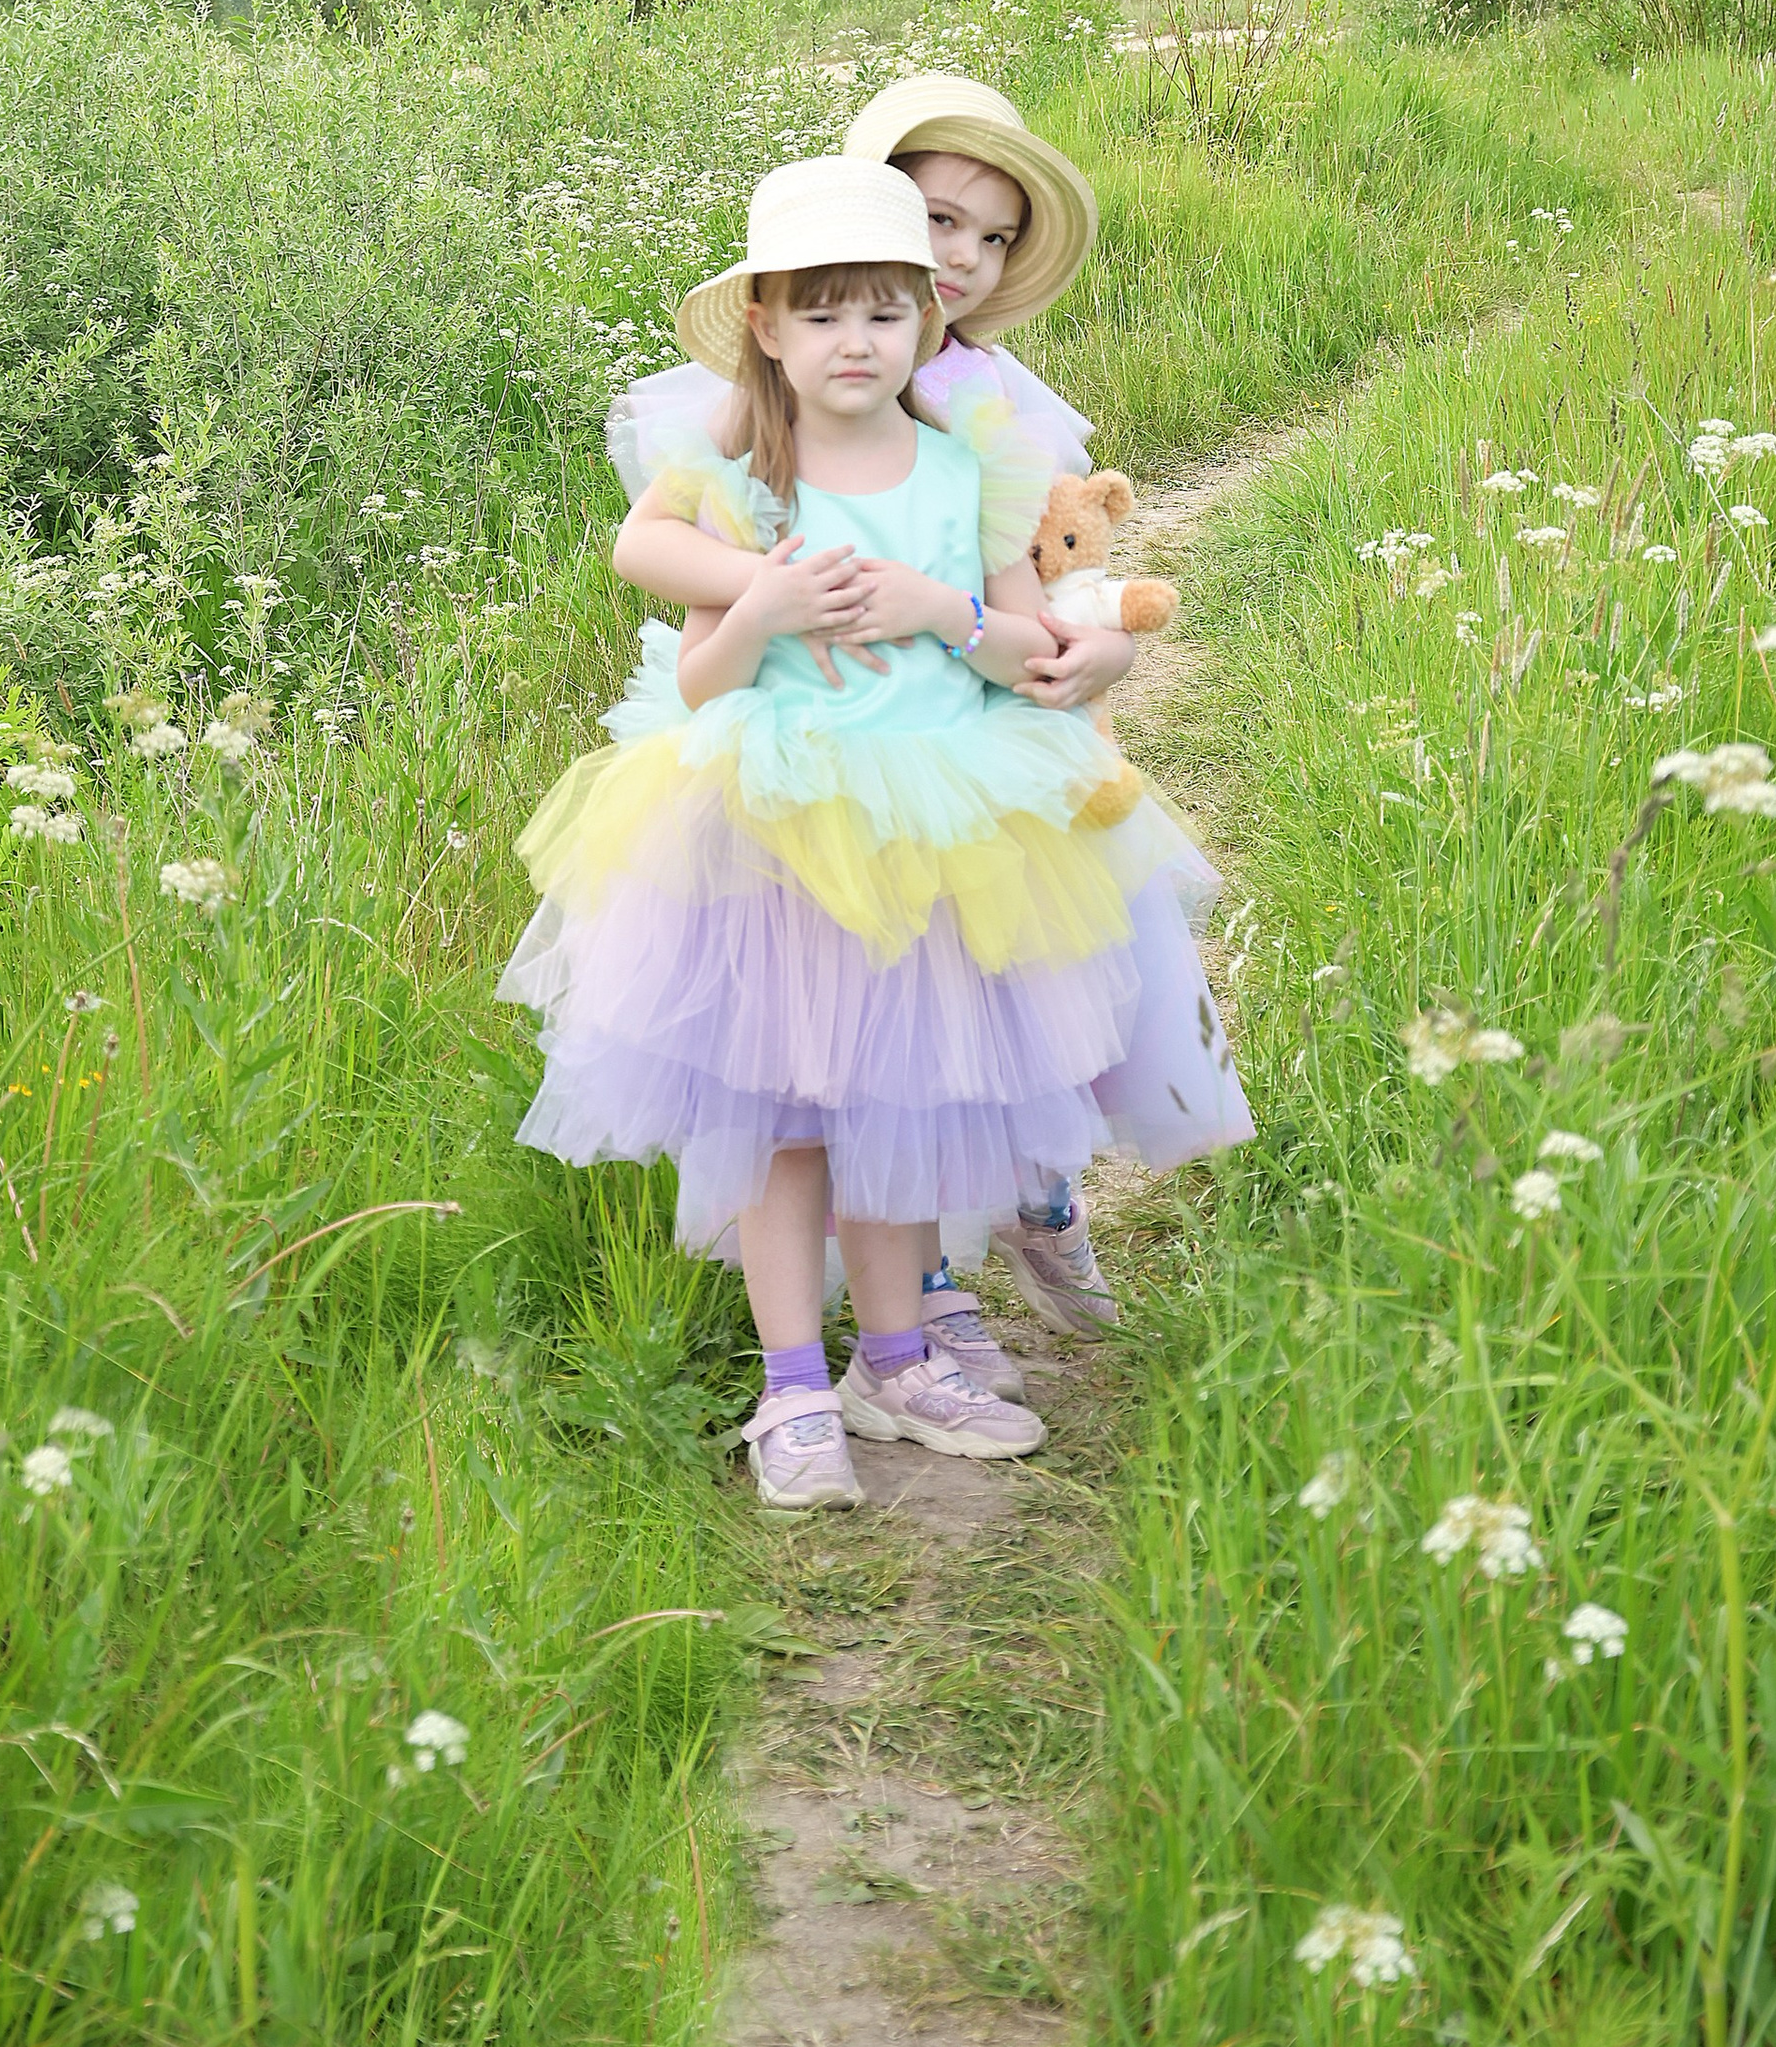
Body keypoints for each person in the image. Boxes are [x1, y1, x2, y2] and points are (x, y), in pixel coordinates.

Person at [501, 157, 1247, 1513]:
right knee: (784, 1123)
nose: (858, 342)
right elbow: (681, 646)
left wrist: (937, 610)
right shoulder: (737, 472)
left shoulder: (965, 469)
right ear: (768, 331)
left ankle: (895, 1362)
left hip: (934, 818)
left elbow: (1025, 639)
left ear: (924, 326)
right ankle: (794, 1381)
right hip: (771, 828)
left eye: (886, 315)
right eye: (825, 314)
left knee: (900, 1096)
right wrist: (765, 605)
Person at [609, 73, 1210, 1380]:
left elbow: (1047, 573)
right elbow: (676, 536)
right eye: (939, 219)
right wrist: (775, 597)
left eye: (992, 239)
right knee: (854, 1013)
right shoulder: (768, 384)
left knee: (1010, 977)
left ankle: (1029, 1200)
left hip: (970, 725)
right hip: (816, 729)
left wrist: (1094, 643)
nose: (964, 259)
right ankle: (915, 1301)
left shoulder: (994, 407)